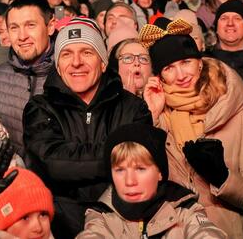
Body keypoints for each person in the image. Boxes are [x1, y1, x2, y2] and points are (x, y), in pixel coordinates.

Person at [23, 18, 152, 237]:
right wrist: (115, 154)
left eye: (86, 52)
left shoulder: (133, 107)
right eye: (66, 54)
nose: (76, 62)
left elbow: (138, 163)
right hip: (58, 226)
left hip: (121, 224)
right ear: (58, 66)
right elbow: (53, 163)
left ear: (103, 63)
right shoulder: (39, 107)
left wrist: (74, 160)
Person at [143, 34, 243, 236]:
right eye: (169, 68)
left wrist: (222, 177)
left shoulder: (240, 113)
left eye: (186, 62)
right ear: (160, 76)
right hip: (175, 230)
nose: (180, 75)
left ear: (200, 63)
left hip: (227, 230)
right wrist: (152, 115)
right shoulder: (159, 113)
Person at [78, 123, 226, 238]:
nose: (130, 181)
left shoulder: (185, 211)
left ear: (160, 173)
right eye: (120, 170)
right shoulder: (100, 217)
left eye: (140, 169)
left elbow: (205, 233)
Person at [0, 0, 55, 157]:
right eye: (14, 27)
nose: (22, 36)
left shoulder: (69, 74)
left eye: (30, 25)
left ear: (50, 26)